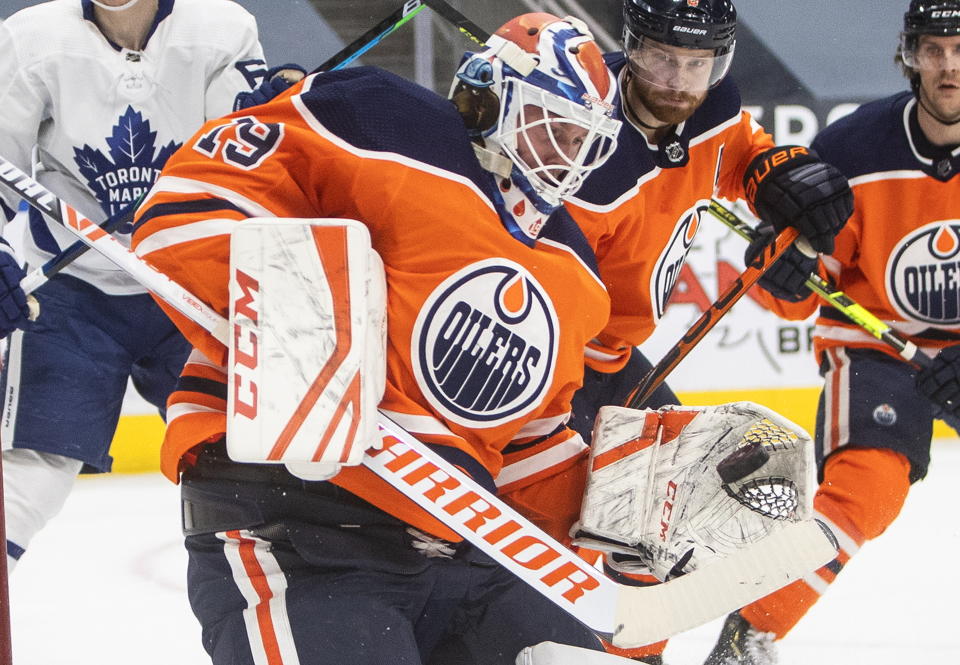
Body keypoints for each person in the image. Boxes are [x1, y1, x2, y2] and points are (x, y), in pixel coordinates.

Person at [131, 13, 623, 665]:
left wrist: (618, 520)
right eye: (549, 123)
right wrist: (296, 336)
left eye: (580, 138)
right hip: (296, 527)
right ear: (492, 95)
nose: (562, 153)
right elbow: (184, 215)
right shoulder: (380, 119)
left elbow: (531, 445)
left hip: (464, 558)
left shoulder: (573, 270)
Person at [495, 2, 853, 662]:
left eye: (698, 64)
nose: (678, 82)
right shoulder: (583, 146)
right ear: (630, 47)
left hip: (617, 357)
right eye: (662, 58)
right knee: (562, 536)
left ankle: (639, 653)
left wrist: (778, 175)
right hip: (549, 364)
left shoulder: (713, 104)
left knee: (663, 519)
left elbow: (741, 148)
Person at [702, 2, 960, 663]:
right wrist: (781, 272)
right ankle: (752, 628)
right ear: (907, 56)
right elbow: (792, 293)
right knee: (865, 491)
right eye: (933, 49)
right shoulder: (853, 148)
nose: (949, 65)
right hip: (878, 348)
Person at [0, 0, 287, 573]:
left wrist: (276, 109)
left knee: (246, 477)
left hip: (192, 288)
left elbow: (236, 164)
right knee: (27, 475)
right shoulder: (31, 37)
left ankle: (295, 622)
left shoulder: (223, 29)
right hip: (70, 286)